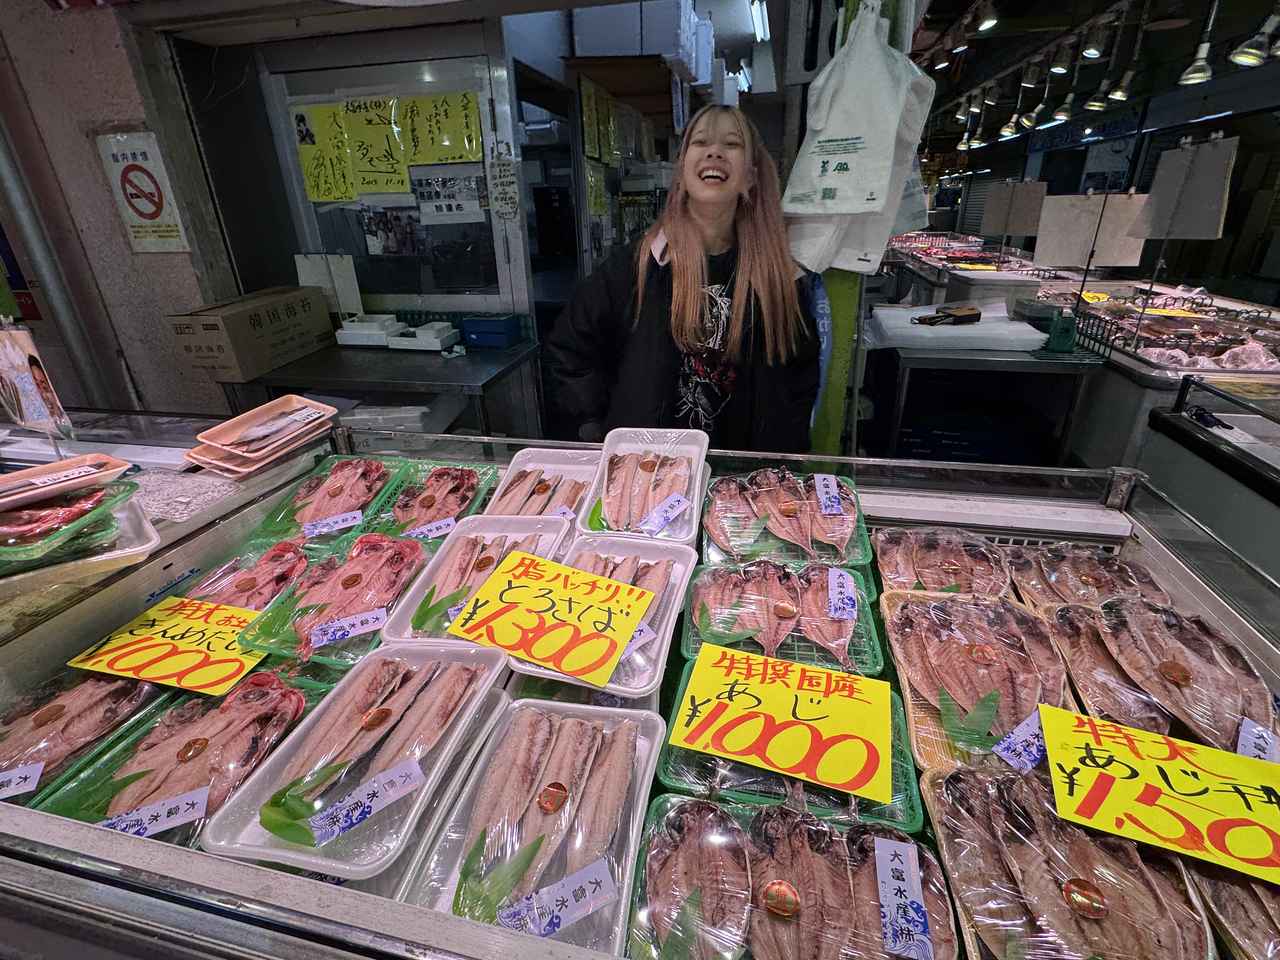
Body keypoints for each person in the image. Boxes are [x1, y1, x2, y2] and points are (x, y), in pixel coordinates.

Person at [544, 105, 820, 452]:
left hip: (736, 478)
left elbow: (800, 381)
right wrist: (595, 429)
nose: (714, 151)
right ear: (682, 169)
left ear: (750, 176)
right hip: (647, 472)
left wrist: (781, 457)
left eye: (732, 144)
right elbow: (569, 349)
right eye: (700, 141)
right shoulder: (637, 265)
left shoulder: (779, 280)